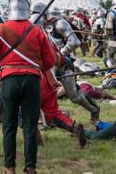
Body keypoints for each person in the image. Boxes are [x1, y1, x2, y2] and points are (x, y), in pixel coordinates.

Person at [0, 0, 56, 174]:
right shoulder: (36, 30)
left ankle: (9, 170)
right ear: (27, 8)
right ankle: (31, 169)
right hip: (32, 81)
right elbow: (51, 60)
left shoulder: (0, 29)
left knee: (9, 127)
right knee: (30, 126)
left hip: (9, 80)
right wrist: (35, 68)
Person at [29, 12, 87, 148]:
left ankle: (36, 141)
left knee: (26, 112)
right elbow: (54, 57)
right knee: (52, 113)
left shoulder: (22, 38)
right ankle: (73, 126)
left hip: (31, 79)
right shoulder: (48, 37)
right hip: (48, 80)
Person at [46, 6, 100, 124]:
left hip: (63, 64)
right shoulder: (39, 25)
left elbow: (75, 42)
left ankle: (94, 109)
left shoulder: (60, 23)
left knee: (74, 96)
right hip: (47, 66)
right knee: (45, 94)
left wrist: (59, 55)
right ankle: (46, 121)